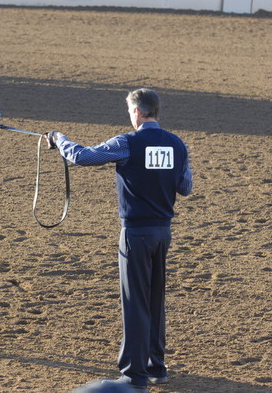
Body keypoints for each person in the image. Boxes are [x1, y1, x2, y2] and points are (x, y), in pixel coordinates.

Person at [46, 89, 192, 391]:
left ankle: (134, 374)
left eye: (130, 112)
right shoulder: (177, 144)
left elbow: (83, 157)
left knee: (135, 301)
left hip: (136, 234)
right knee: (154, 299)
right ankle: (156, 366)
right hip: (163, 232)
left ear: (137, 112)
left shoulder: (127, 142)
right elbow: (185, 186)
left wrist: (59, 139)